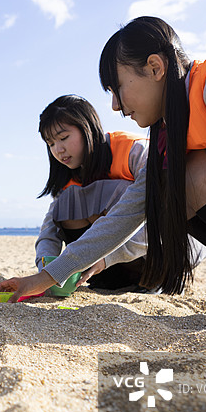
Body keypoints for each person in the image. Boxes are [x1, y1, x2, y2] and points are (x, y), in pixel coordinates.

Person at [0, 15, 206, 322]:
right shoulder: (172, 131)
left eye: (117, 88)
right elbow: (126, 214)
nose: (115, 105)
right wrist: (44, 277)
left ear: (155, 67)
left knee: (187, 177)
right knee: (172, 184)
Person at [34, 95, 151, 291]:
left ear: (86, 127)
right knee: (67, 203)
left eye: (63, 138)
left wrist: (108, 257)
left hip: (163, 255)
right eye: (51, 143)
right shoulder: (68, 179)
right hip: (104, 272)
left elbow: (165, 215)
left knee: (120, 193)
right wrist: (45, 268)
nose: (58, 149)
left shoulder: (134, 150)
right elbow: (49, 232)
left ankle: (147, 279)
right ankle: (109, 279)